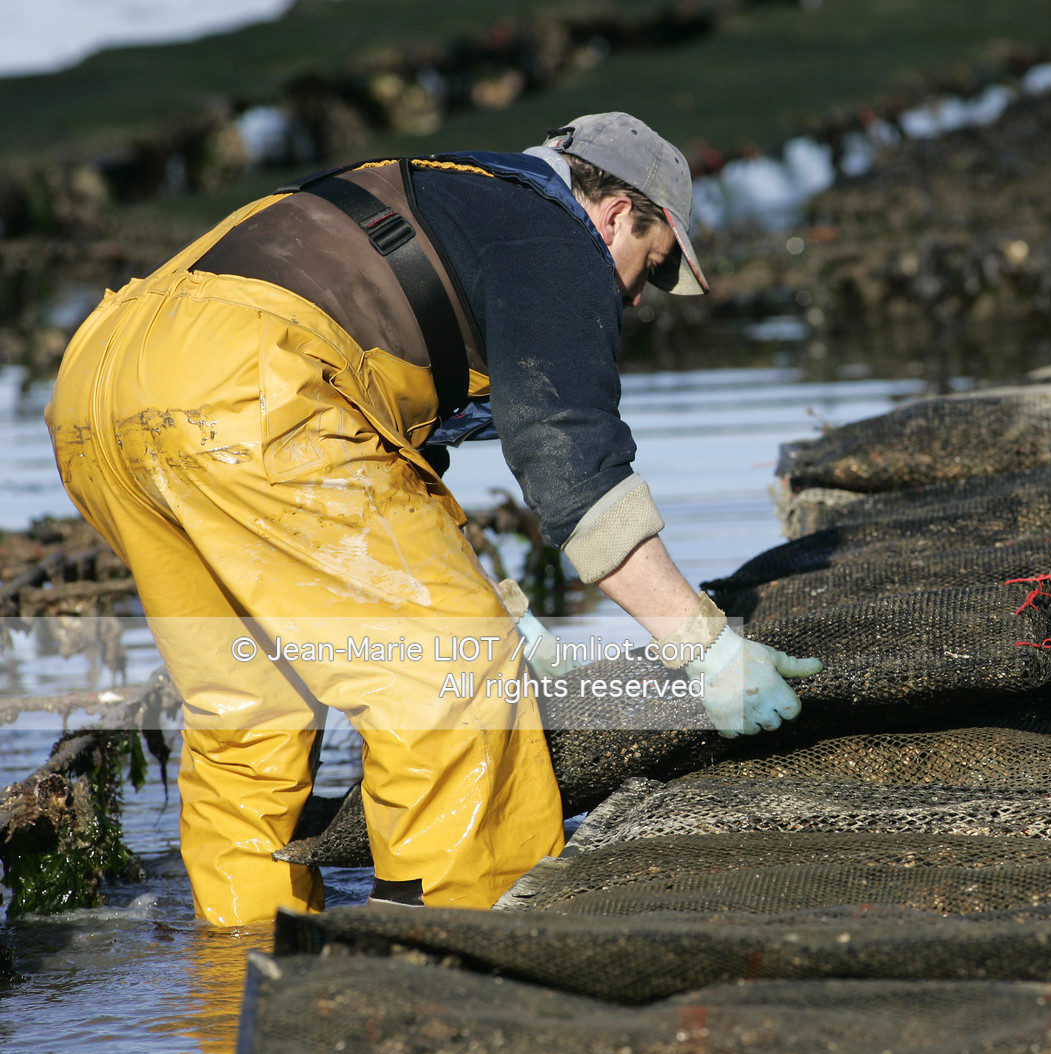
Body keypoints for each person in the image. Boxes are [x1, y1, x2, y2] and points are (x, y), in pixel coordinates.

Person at [45, 112, 822, 927]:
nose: (632, 294)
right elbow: (567, 450)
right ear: (618, 212)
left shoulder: (441, 196)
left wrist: (500, 606)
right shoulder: (554, 237)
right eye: (650, 263)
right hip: (249, 388)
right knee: (457, 680)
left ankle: (240, 978)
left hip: (102, 385)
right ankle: (450, 959)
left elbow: (380, 479)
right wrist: (703, 644)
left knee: (249, 712)